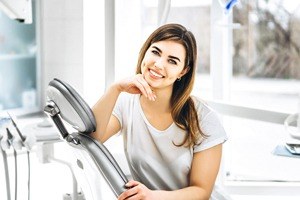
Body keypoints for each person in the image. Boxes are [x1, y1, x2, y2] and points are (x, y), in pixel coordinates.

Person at [91, 23, 227, 200]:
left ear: (183, 71)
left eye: (172, 61)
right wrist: (114, 89)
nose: (158, 64)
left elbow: (201, 192)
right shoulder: (125, 101)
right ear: (145, 52)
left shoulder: (204, 118)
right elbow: (94, 137)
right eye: (155, 52)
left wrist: (152, 196)